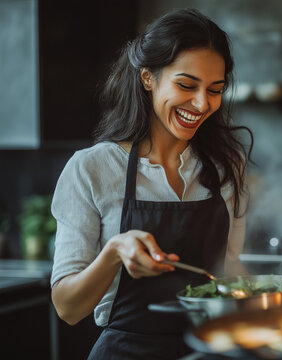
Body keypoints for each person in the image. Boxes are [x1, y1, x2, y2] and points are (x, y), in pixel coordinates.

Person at [50, 8, 253, 359]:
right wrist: (114, 252)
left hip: (211, 350)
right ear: (148, 78)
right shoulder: (92, 168)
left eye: (215, 89)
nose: (203, 103)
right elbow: (68, 308)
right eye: (186, 85)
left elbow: (228, 268)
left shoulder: (226, 167)